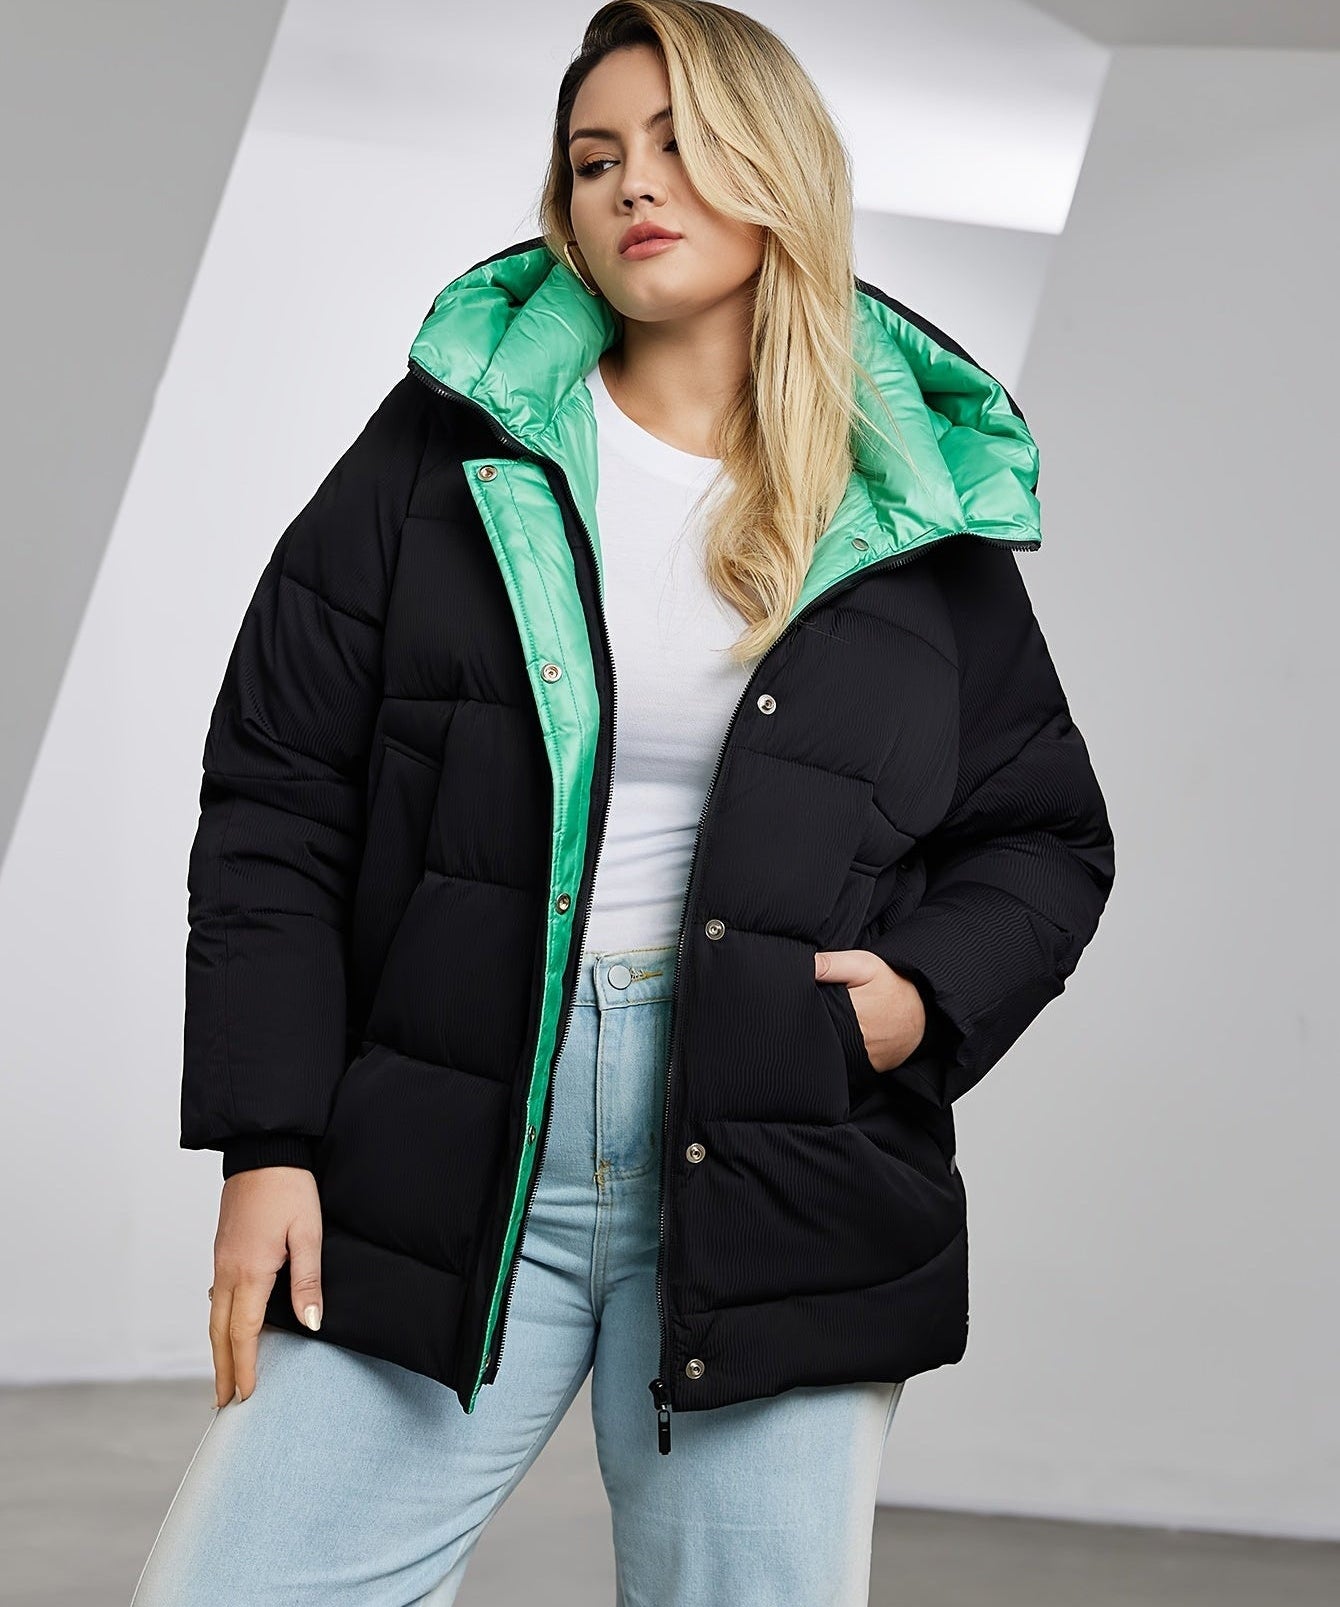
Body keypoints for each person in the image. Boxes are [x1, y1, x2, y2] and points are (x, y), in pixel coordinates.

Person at [132, 2, 1116, 1602]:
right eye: (595, 160)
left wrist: (917, 1000)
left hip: (778, 1151)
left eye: (678, 143)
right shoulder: (447, 452)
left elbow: (1045, 833)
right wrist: (269, 1145)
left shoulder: (904, 503)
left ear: (775, 169)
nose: (632, 185)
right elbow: (278, 797)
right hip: (444, 1136)